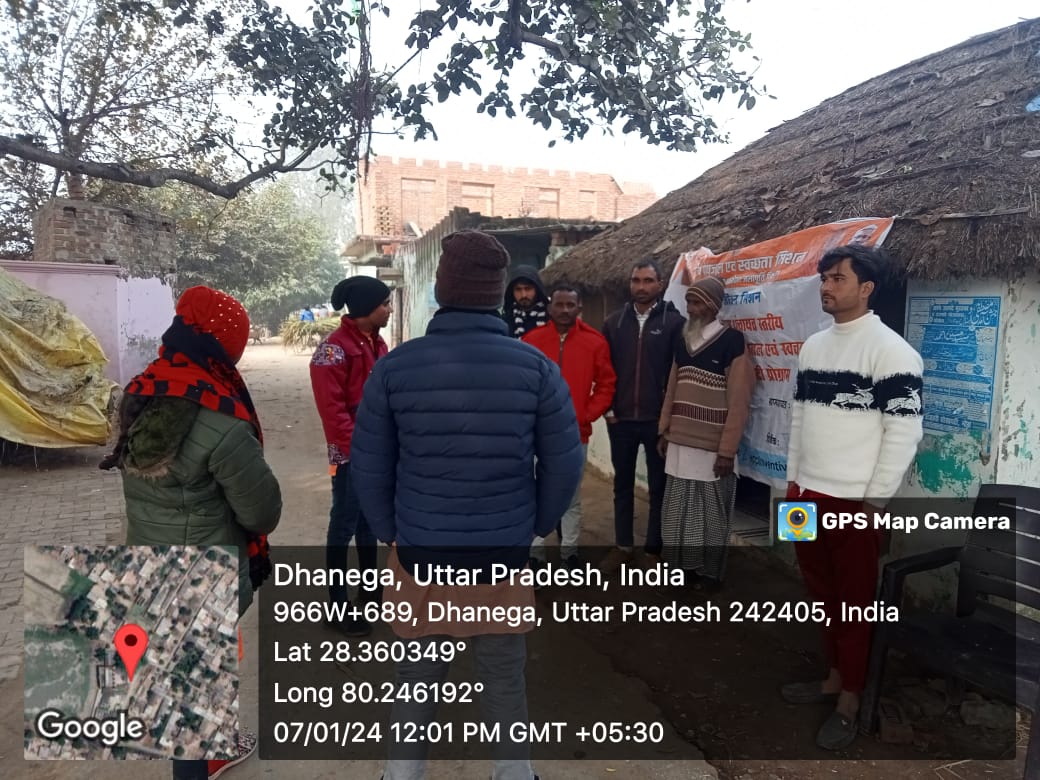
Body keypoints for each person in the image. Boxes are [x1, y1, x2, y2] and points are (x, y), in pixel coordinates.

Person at [350, 229, 584, 780]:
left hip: (422, 555)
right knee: (503, 679)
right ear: (497, 292)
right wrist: (535, 526)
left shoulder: (395, 368)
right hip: (501, 556)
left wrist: (390, 531)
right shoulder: (536, 368)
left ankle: (401, 776)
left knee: (416, 680)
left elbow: (370, 464)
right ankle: (515, 773)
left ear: (441, 287)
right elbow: (565, 463)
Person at [100, 285, 282, 780]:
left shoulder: (141, 391)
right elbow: (262, 513)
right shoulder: (222, 417)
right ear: (222, 347)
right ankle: (198, 762)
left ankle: (215, 742)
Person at [781, 244, 923, 750]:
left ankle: (851, 699)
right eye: (824, 278)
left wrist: (874, 503)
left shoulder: (892, 352)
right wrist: (792, 484)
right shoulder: (813, 347)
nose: (826, 286)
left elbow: (903, 433)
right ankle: (833, 678)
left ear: (866, 288)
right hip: (804, 496)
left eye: (837, 278)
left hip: (854, 504)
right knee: (820, 596)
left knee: (854, 604)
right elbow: (799, 419)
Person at [656, 277, 754, 588]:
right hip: (679, 443)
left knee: (710, 515)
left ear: (713, 306)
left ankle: (709, 574)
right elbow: (672, 389)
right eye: (689, 302)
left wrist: (726, 451)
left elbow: (739, 401)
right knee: (677, 514)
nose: (691, 309)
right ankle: (681, 570)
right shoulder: (683, 340)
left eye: (697, 303)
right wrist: (664, 431)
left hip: (712, 449)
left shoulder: (732, 341)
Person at [310, 276, 392, 637]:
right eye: (384, 304)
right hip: (348, 456)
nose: (389, 310)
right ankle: (338, 606)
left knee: (369, 523)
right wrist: (360, 452)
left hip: (376, 452)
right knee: (343, 526)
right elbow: (334, 415)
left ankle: (370, 591)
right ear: (366, 308)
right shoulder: (331, 352)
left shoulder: (378, 343)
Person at [599, 259, 684, 573]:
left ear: (660, 284)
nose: (641, 287)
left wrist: (668, 419)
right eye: (636, 280)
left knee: (659, 487)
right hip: (620, 421)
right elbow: (604, 371)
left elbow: (678, 373)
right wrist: (608, 409)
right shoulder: (613, 323)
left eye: (648, 280)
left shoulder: (675, 323)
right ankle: (623, 546)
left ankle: (653, 550)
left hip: (656, 422)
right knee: (622, 485)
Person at [522, 284, 616, 570]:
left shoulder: (595, 342)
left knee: (571, 498)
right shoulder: (531, 341)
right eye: (559, 305)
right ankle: (535, 555)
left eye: (570, 305)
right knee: (535, 493)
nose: (564, 310)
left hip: (575, 434)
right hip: (536, 435)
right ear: (550, 308)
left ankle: (570, 554)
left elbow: (607, 384)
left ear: (579, 308)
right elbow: (522, 384)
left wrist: (586, 414)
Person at [502, 265, 550, 338]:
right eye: (518, 289)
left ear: (537, 289)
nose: (523, 295)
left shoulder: (550, 317)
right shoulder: (506, 321)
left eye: (528, 289)